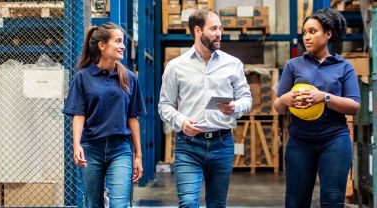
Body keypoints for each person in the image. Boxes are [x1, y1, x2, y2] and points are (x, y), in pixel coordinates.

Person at [158, 8, 252, 208]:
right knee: (188, 203)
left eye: (220, 28)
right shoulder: (176, 67)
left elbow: (247, 99)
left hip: (222, 143)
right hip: (188, 146)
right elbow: (164, 105)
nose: (219, 33)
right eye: (214, 28)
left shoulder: (233, 64)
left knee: (217, 204)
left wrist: (234, 107)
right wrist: (181, 121)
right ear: (198, 31)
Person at [273, 8, 361, 208]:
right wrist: (285, 99)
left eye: (313, 31)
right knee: (296, 202)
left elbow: (354, 106)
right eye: (304, 32)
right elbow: (278, 107)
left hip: (334, 140)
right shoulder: (293, 65)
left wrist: (325, 97)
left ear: (328, 34)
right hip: (299, 141)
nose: (307, 37)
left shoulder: (343, 67)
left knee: (332, 201)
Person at [63, 22, 146, 208]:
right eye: (117, 41)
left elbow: (133, 118)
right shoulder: (83, 77)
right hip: (92, 148)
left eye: (123, 41)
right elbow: (78, 114)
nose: (122, 46)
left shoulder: (129, 78)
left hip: (121, 149)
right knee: (93, 203)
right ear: (102, 45)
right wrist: (76, 145)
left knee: (119, 204)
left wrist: (138, 155)